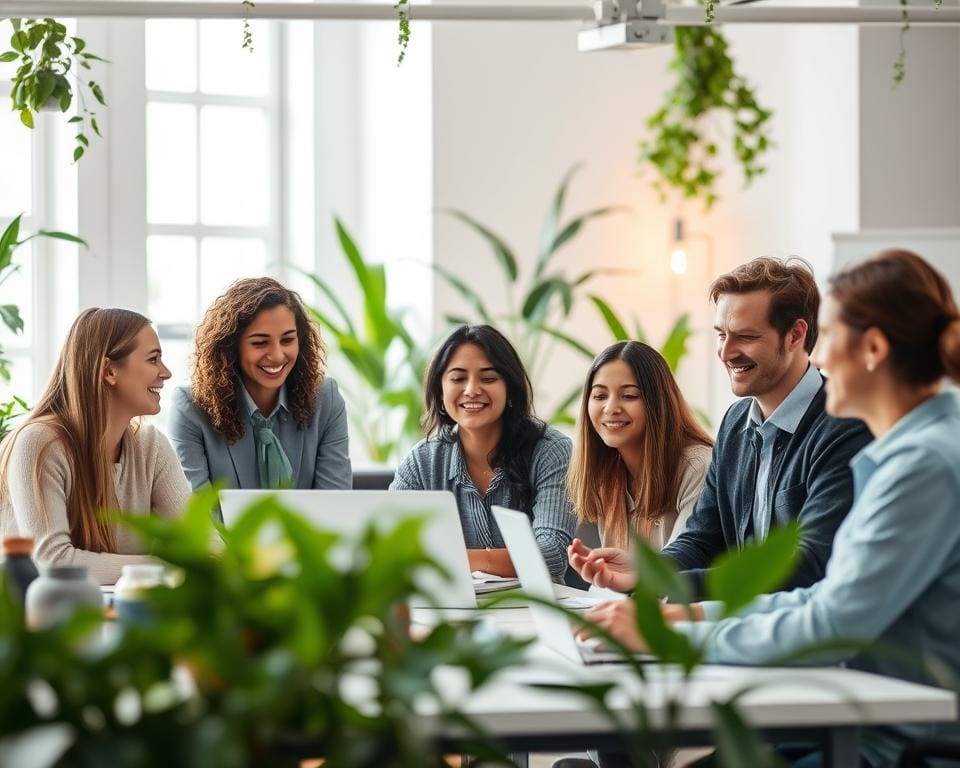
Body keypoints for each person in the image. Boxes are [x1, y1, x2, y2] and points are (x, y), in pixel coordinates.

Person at [582, 249, 960, 767]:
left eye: (831, 338)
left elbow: (829, 616)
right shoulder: (909, 450)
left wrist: (672, 630)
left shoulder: (921, 463)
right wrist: (669, 605)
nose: (822, 361)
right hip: (858, 715)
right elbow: (820, 599)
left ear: (872, 347)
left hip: (900, 742)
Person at [569, 257, 872, 598]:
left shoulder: (845, 427)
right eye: (721, 335)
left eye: (745, 336)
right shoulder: (735, 422)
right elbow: (702, 537)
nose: (726, 352)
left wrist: (674, 585)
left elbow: (809, 562)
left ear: (795, 335)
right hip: (741, 627)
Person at [0, 308, 191, 585]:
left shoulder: (152, 447)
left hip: (118, 615)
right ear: (109, 370)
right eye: (153, 359)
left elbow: (206, 546)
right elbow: (52, 561)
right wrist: (164, 567)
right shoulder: (38, 443)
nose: (166, 373)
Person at [390, 324, 575, 581]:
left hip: (534, 612)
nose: (472, 390)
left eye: (488, 378)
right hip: (453, 609)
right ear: (440, 391)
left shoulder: (550, 451)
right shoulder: (422, 461)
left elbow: (552, 554)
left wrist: (459, 558)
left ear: (509, 388)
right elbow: (391, 545)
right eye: (458, 378)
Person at [168, 278, 352, 501]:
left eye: (287, 340)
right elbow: (200, 516)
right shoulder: (190, 409)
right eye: (260, 343)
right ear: (231, 347)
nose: (276, 355)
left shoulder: (326, 399)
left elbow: (334, 504)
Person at [568, 341, 713, 552]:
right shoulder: (608, 473)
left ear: (657, 402)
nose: (611, 408)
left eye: (629, 396)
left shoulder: (697, 465)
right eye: (600, 396)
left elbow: (684, 563)